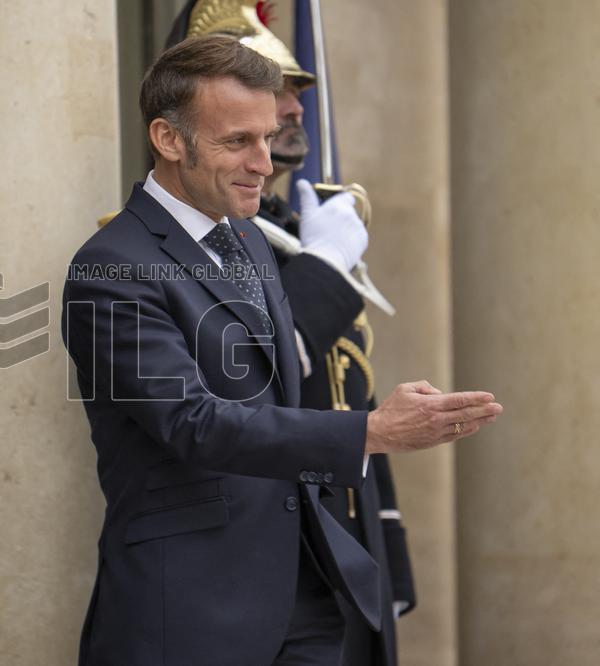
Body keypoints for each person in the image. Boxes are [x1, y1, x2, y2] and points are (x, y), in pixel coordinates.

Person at [62, 35, 501, 665]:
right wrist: (369, 431)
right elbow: (192, 423)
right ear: (167, 139)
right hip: (188, 613)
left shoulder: (250, 240)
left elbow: (274, 394)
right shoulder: (109, 268)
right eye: (237, 141)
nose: (264, 163)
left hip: (306, 598)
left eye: (267, 138)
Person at [170, 3, 418, 663]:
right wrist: (326, 269)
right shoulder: (174, 252)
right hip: (257, 564)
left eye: (292, 92)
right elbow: (245, 381)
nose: (294, 110)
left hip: (342, 548)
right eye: (274, 91)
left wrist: (384, 544)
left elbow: (347, 388)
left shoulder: (285, 234)